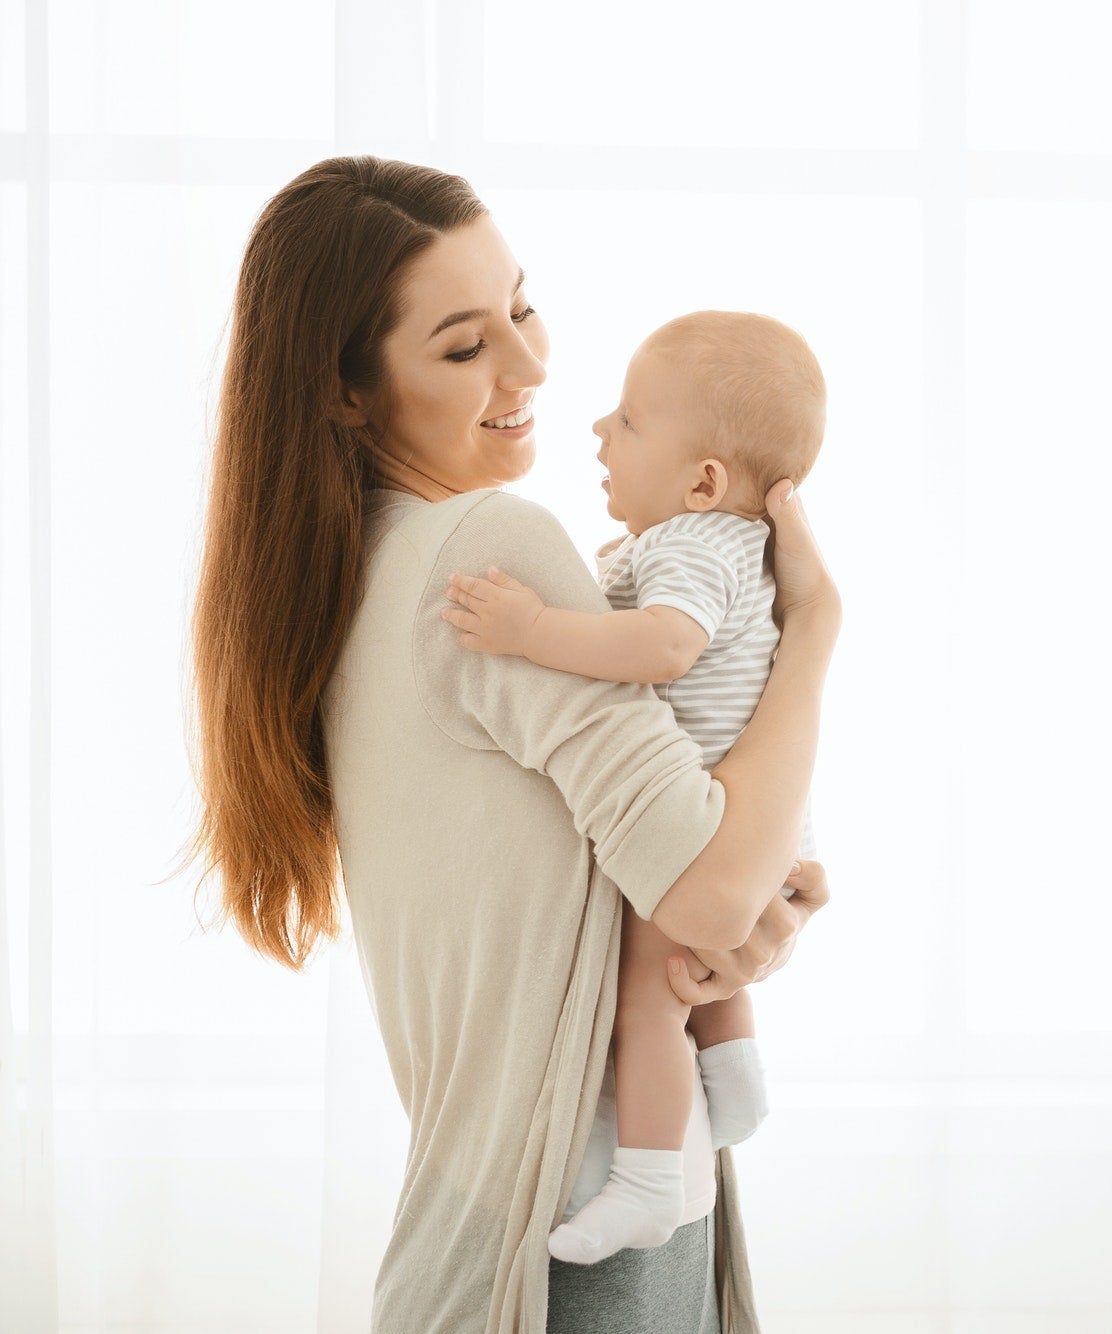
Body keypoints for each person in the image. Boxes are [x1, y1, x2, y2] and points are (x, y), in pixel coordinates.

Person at [180, 155, 837, 1334]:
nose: (530, 363)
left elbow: (620, 900)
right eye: (462, 344)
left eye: (522, 307)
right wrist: (817, 631)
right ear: (348, 391)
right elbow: (705, 892)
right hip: (574, 1219)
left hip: (484, 1212)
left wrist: (741, 926)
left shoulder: (356, 576)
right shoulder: (490, 549)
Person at [441, 310, 827, 1263]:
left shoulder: (693, 546)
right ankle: (732, 1078)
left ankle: (649, 1181)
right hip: (758, 810)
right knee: (693, 967)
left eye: (628, 421)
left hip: (711, 818)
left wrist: (533, 629)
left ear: (703, 482)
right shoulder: (721, 549)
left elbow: (663, 648)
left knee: (647, 997)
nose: (598, 433)